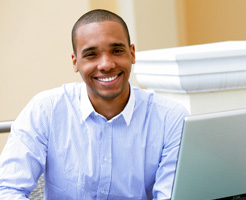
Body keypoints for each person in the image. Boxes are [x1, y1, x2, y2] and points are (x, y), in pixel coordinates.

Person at [0, 9, 189, 200]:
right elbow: (8, 189)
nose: (106, 64)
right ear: (75, 62)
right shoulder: (44, 111)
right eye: (91, 55)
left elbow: (172, 197)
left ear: (132, 53)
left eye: (116, 51)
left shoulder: (170, 118)